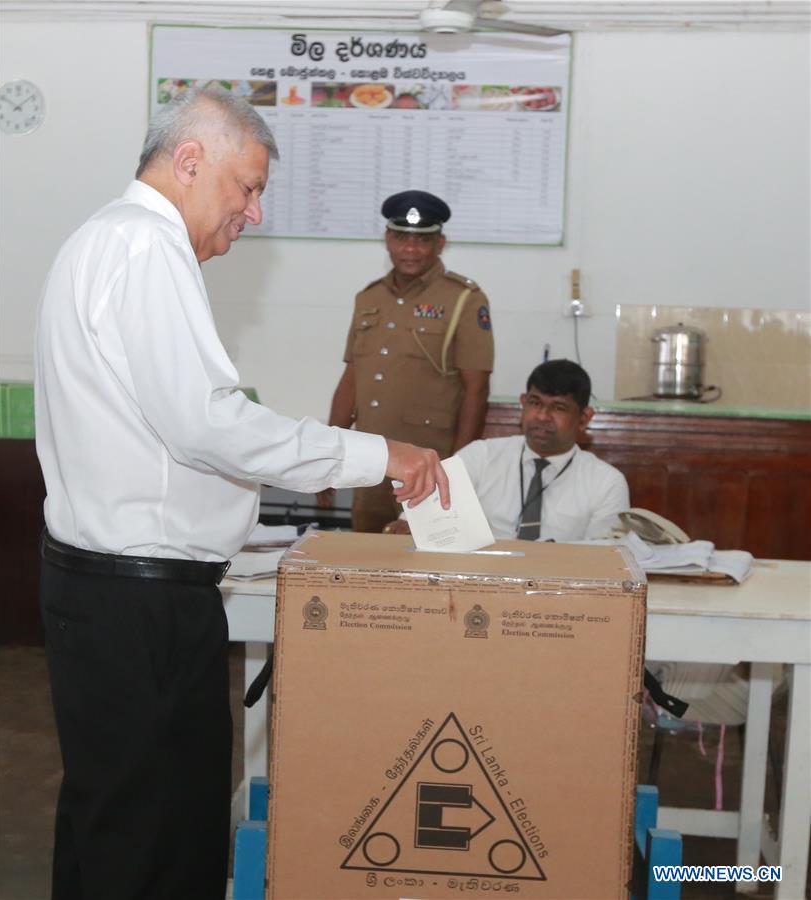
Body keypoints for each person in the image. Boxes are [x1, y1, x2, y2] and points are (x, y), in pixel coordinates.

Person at [34, 87, 448, 900]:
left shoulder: (99, 239)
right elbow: (208, 425)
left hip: (101, 586)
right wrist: (381, 454)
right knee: (159, 841)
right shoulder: (149, 249)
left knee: (110, 825)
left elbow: (153, 440)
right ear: (190, 162)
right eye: (247, 187)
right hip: (142, 605)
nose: (254, 213)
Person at [318, 189, 494, 533]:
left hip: (428, 467)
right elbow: (352, 380)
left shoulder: (464, 299)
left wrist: (458, 468)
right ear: (387, 239)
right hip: (370, 463)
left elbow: (477, 390)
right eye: (401, 237)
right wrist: (325, 457)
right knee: (365, 563)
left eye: (421, 240)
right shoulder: (369, 297)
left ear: (440, 244)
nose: (410, 248)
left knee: (425, 563)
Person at [389, 359, 629, 541]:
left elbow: (605, 557)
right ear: (523, 403)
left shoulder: (606, 482)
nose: (542, 417)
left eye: (558, 408)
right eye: (535, 403)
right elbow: (416, 523)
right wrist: (407, 526)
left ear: (585, 418)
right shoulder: (481, 456)